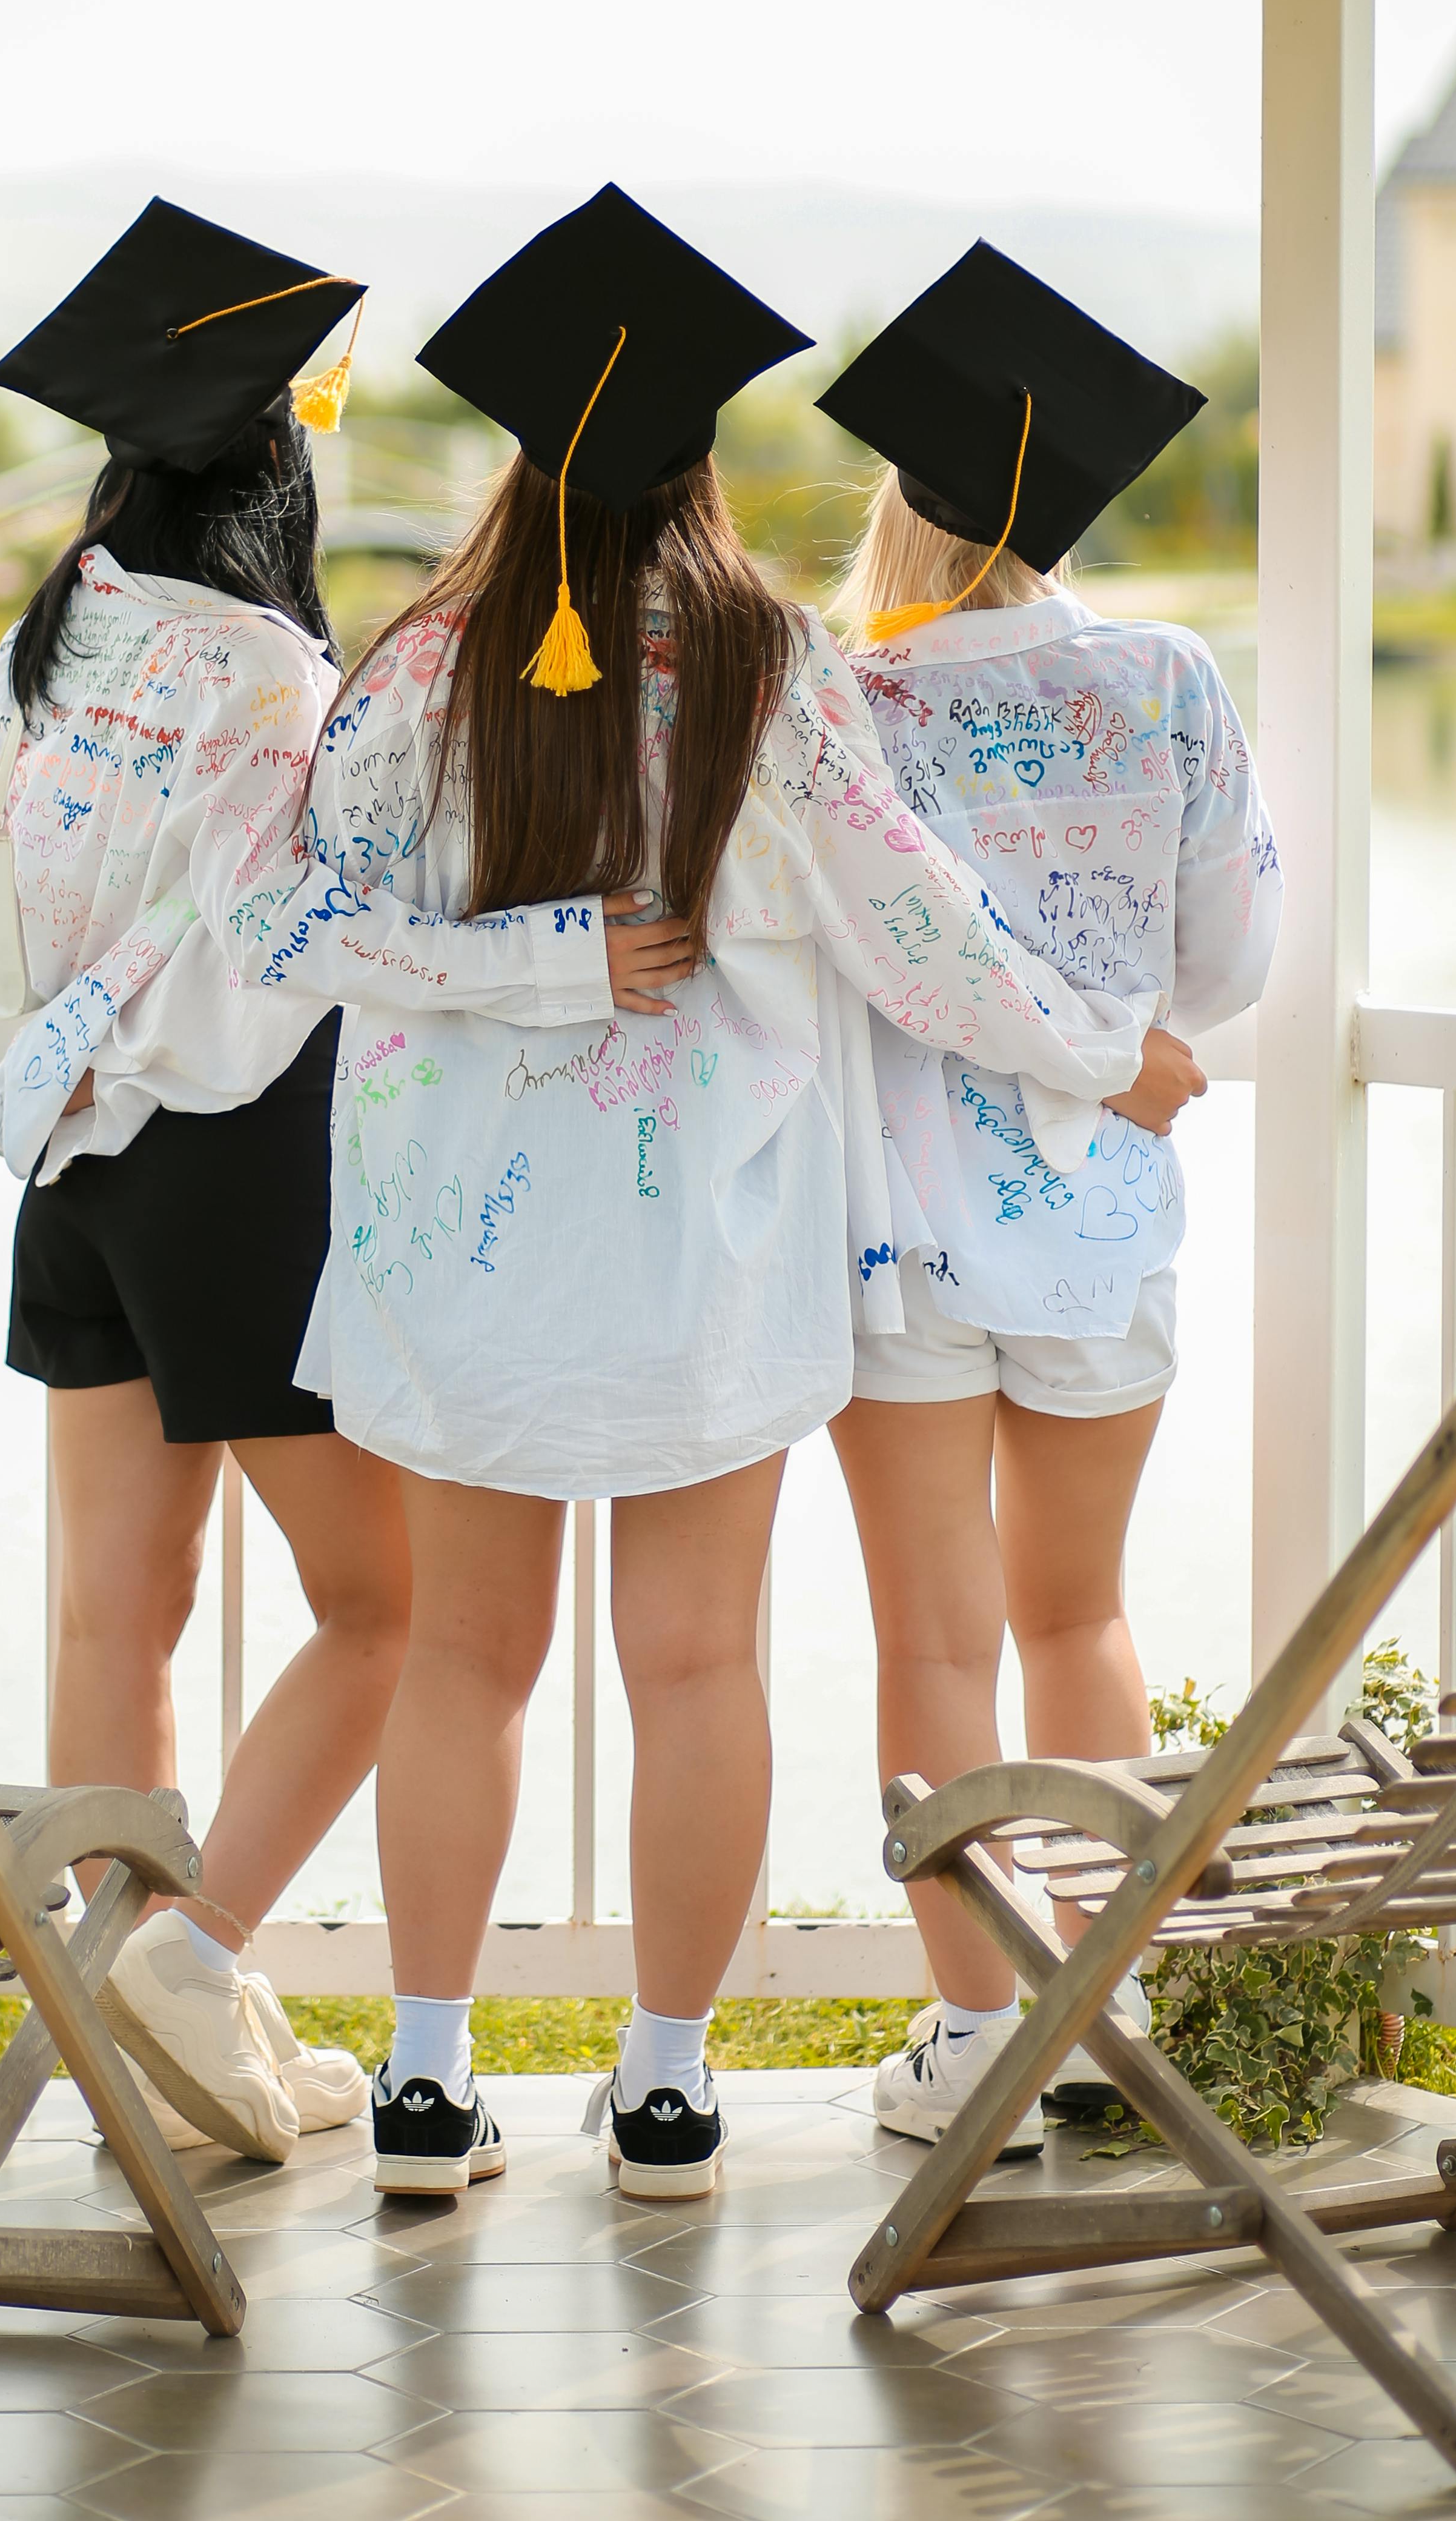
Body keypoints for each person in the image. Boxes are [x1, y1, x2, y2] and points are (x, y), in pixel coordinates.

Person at [272, 187, 1168, 2203]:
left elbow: (296, 920)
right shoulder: (773, 665)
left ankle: (427, 2083)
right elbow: (923, 938)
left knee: (461, 1665)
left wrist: (517, 961)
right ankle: (664, 2091)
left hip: (460, 1251)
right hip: (710, 1249)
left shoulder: (419, 664)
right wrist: (1116, 1059)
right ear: (698, 459)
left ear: (521, 455)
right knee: (696, 1667)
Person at [0, 198, 686, 2167]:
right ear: (280, 467)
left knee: (119, 1611)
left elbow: (0, 927)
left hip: (71, 1152)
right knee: (383, 1606)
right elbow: (307, 933)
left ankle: (143, 2023)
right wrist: (556, 960)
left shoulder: (54, 636)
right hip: (229, 1157)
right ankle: (186, 1968)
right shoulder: (275, 672)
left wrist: (70, 1067)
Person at [810, 240, 1281, 2154]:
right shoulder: (1165, 678)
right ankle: (1104, 2007)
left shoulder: (841, 701)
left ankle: (972, 2036)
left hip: (896, 1226)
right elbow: (1232, 966)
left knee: (932, 1638)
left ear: (900, 514)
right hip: (1102, 1219)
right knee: (1078, 1613)